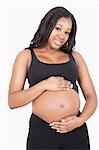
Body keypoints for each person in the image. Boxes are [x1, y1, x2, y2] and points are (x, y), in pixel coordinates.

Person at [8, 6, 97, 150]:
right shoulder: (26, 56)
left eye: (67, 32)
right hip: (42, 130)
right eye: (58, 28)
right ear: (47, 25)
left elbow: (92, 96)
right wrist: (44, 85)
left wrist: (80, 120)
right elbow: (12, 101)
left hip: (75, 130)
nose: (62, 35)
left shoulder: (75, 57)